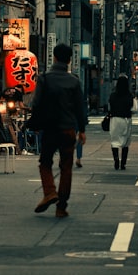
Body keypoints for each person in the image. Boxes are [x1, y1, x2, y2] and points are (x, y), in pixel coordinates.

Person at [27, 43, 87, 218]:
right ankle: (62, 206)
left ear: (54, 57)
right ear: (69, 60)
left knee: (45, 162)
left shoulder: (45, 78)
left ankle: (50, 192)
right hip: (68, 129)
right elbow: (79, 108)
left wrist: (35, 124)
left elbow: (36, 104)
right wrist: (81, 130)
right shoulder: (74, 81)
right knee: (66, 166)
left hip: (50, 128)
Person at [107, 75, 135, 170]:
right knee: (125, 142)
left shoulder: (113, 95)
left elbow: (109, 107)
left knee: (115, 141)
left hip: (115, 120)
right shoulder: (129, 96)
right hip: (126, 119)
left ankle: (116, 160)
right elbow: (133, 108)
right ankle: (123, 163)